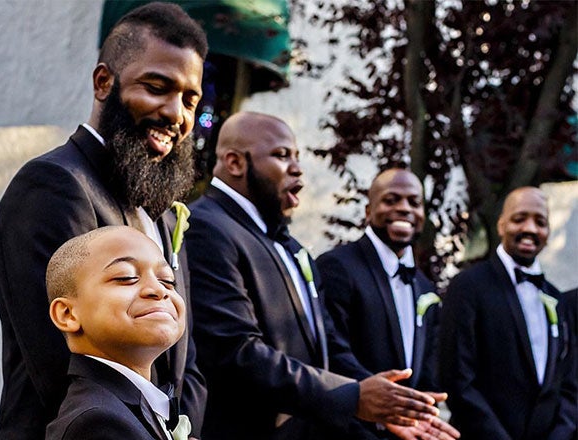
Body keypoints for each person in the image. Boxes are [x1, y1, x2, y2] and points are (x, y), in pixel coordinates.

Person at [0, 3, 208, 438]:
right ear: (104, 82)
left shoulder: (157, 208)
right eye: (156, 87)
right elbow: (60, 363)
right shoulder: (53, 186)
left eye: (190, 98)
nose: (176, 114)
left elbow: (186, 364)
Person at [184, 111, 450, 440]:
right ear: (235, 163)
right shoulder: (208, 227)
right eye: (282, 156)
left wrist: (383, 400)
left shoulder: (289, 244)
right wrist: (353, 398)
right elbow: (234, 352)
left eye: (297, 157)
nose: (297, 169)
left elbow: (325, 342)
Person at [316, 168, 458, 439]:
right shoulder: (337, 266)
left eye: (414, 203)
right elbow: (332, 351)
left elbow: (427, 368)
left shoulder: (425, 286)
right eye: (391, 200)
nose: (404, 209)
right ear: (369, 211)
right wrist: (382, 407)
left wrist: (422, 411)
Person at [439, 186, 577, 440]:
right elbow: (457, 379)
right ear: (501, 225)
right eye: (519, 218)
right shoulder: (468, 286)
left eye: (540, 222)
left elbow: (567, 385)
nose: (530, 229)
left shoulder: (556, 299)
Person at [45, 226, 191, 440]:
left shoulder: (125, 409)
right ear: (68, 314)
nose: (158, 290)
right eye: (127, 277)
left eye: (168, 281)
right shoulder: (96, 422)